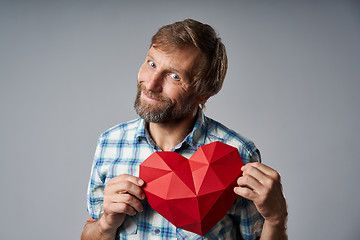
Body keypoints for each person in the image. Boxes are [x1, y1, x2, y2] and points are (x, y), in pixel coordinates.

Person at [81, 19, 288, 240]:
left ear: (203, 94)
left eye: (174, 76)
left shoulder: (237, 155)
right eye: (151, 63)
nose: (151, 84)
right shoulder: (110, 143)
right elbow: (90, 231)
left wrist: (276, 220)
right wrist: (105, 224)